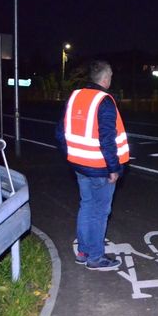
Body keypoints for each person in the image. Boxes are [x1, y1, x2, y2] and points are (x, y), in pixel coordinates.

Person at [56, 60, 129, 271]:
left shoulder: (75, 96)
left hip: (79, 165)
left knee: (86, 205)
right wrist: (114, 168)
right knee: (100, 211)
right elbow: (107, 139)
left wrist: (70, 155)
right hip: (99, 168)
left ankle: (83, 252)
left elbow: (60, 132)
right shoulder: (104, 101)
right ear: (106, 79)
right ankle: (95, 257)